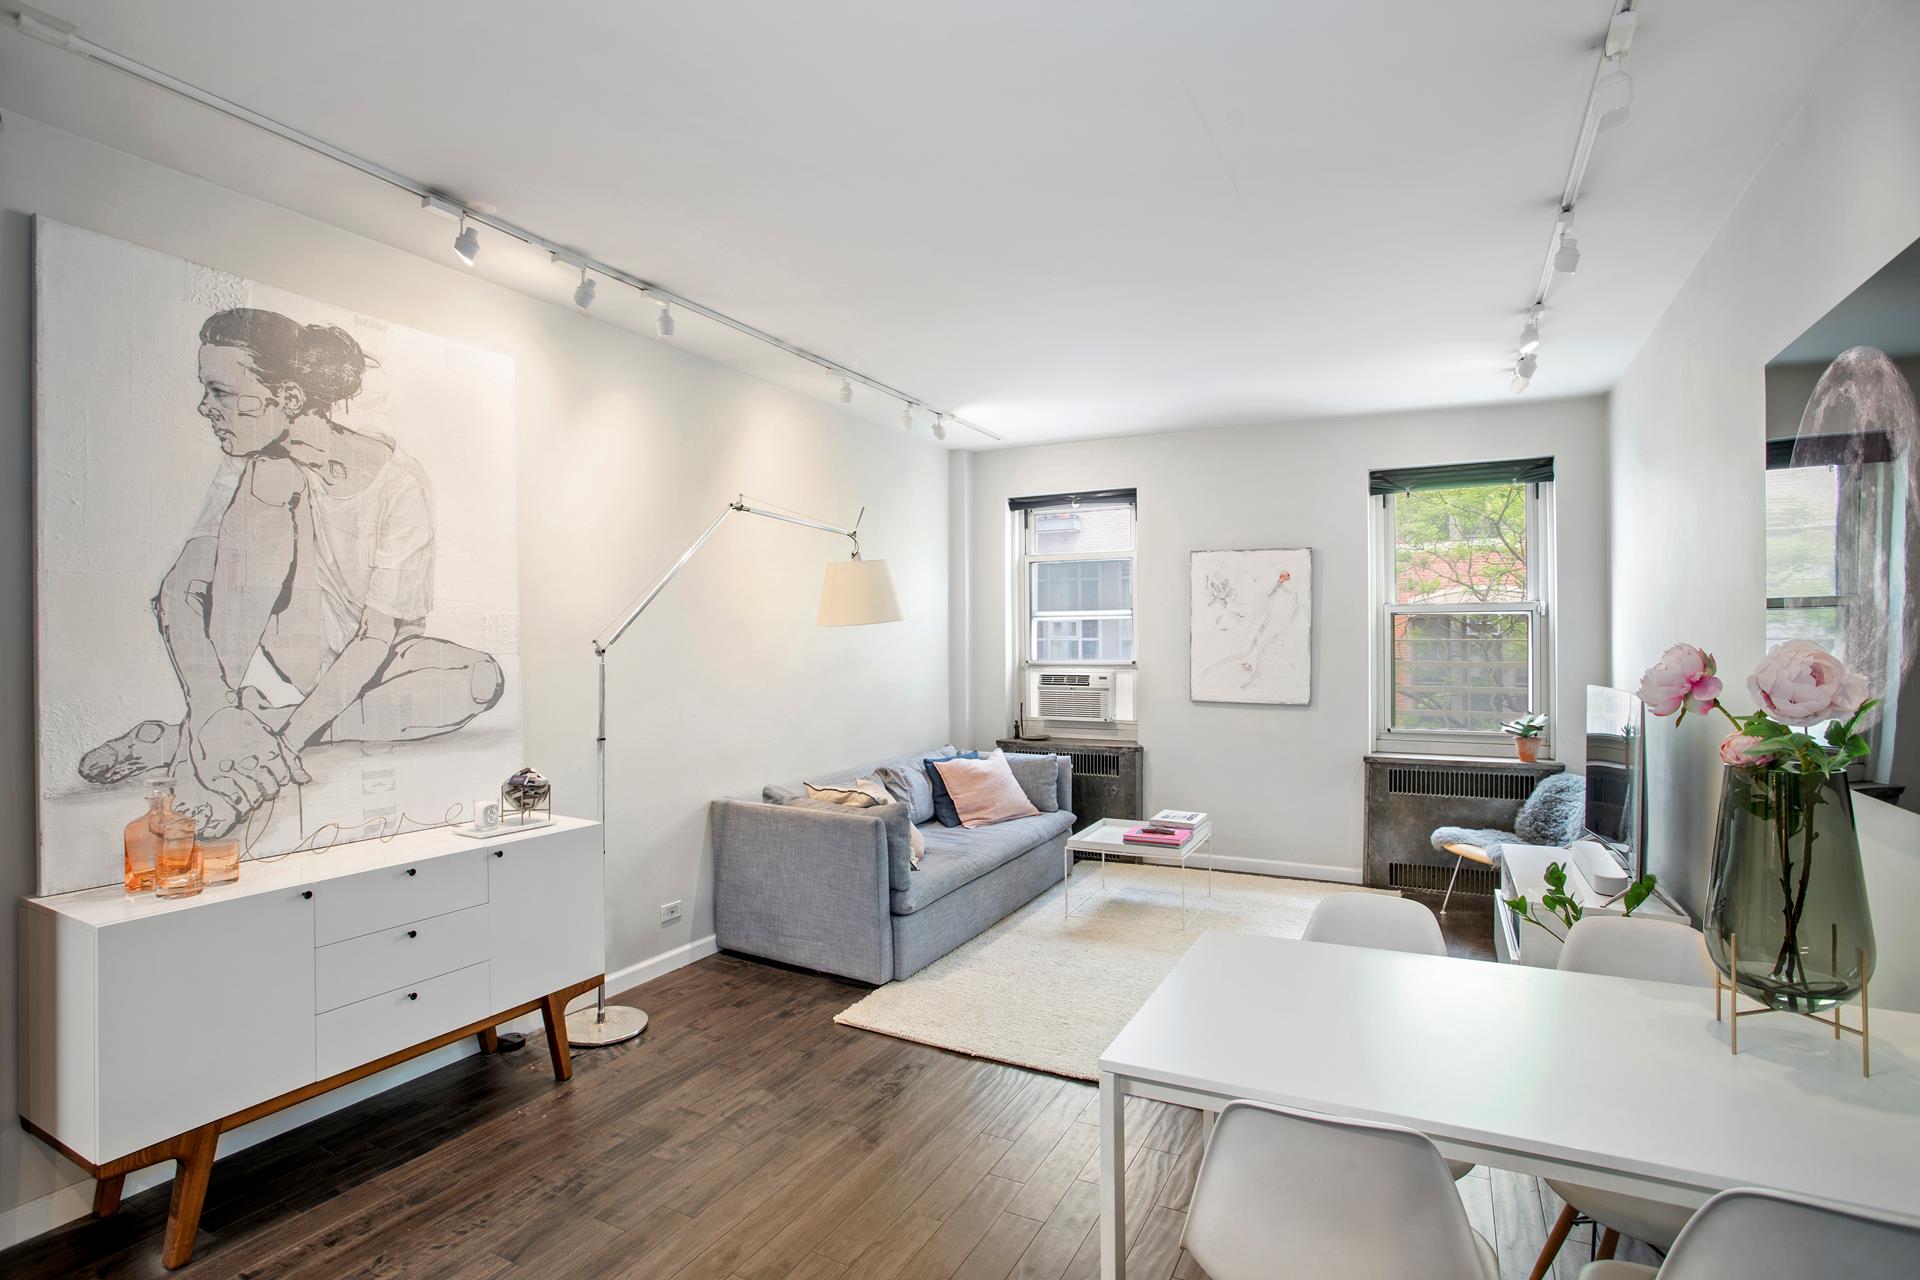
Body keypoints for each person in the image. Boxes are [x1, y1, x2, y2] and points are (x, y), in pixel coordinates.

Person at [79, 308, 503, 836]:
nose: (205, 407)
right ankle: (203, 748)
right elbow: (181, 591)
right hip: (295, 638)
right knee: (271, 480)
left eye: (222, 392)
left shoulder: (399, 484)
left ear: (289, 399)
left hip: (373, 657)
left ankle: (215, 735)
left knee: (480, 679)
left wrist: (281, 743)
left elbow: (375, 638)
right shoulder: (255, 461)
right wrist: (211, 709)